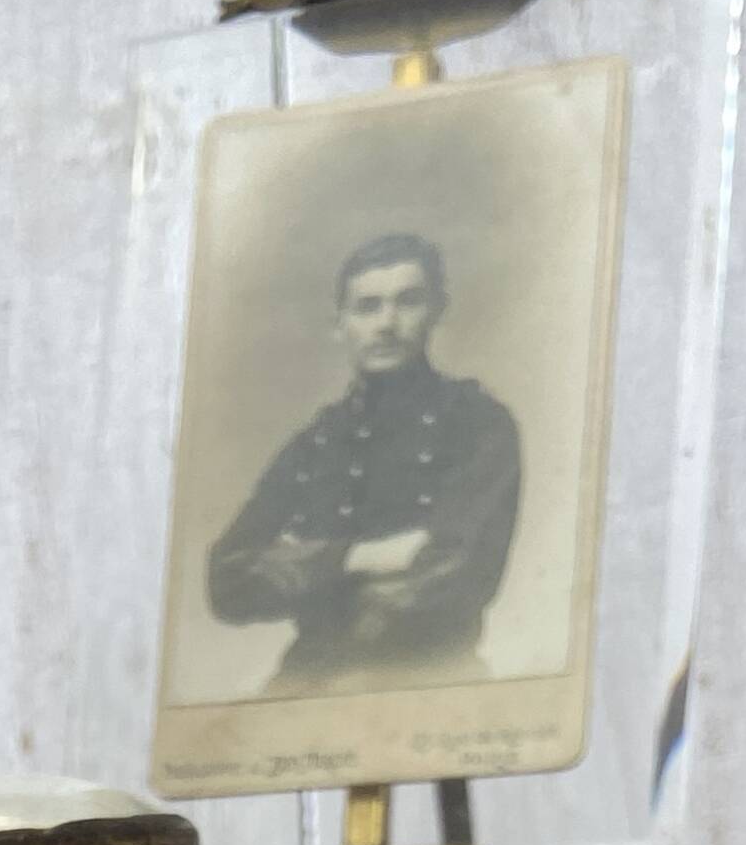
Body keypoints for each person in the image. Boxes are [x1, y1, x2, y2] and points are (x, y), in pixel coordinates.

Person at [205, 231, 521, 692]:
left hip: (431, 678)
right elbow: (226, 581)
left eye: (407, 301)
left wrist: (299, 565)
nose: (387, 323)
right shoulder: (316, 443)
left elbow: (460, 574)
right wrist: (359, 556)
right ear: (341, 325)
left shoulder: (478, 423)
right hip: (303, 679)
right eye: (367, 307)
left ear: (437, 310)